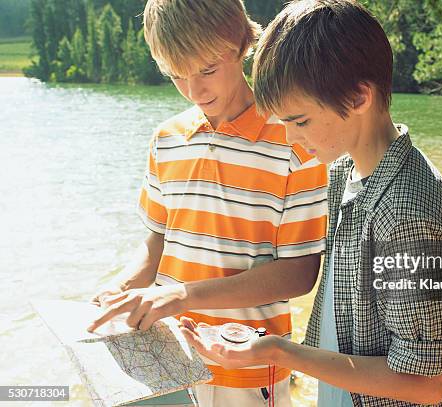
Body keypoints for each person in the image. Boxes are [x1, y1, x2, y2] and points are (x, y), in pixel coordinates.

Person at [179, 1, 442, 406]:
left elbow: (426, 383)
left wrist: (278, 352)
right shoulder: (344, 169)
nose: (292, 139)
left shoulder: (410, 216)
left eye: (300, 122)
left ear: (358, 97)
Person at [87, 1, 328, 405]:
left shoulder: (296, 143)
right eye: (176, 76)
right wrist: (123, 287)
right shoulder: (166, 138)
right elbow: (156, 243)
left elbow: (299, 274)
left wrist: (181, 296)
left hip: (248, 367)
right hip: (165, 360)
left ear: (240, 45)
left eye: (207, 71)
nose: (194, 90)